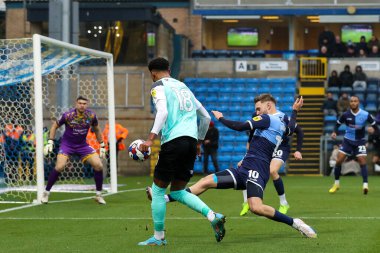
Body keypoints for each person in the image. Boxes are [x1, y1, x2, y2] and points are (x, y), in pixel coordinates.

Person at [147, 94, 317, 238]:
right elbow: (293, 128)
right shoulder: (283, 121)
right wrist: (295, 110)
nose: (256, 112)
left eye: (259, 109)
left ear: (268, 105)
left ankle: (295, 223)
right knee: (207, 181)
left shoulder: (266, 119)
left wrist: (221, 118)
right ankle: (165, 198)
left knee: (255, 207)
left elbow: (240, 126)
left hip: (258, 168)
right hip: (245, 167)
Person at [137, 57, 226, 246]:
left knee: (158, 191)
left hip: (174, 141)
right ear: (169, 69)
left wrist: (150, 138)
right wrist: (199, 143)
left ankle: (159, 237)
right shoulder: (184, 87)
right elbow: (205, 116)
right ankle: (213, 216)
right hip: (191, 142)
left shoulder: (158, 86)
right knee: (177, 191)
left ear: (152, 73)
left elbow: (163, 113)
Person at [239, 106, 304, 216]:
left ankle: (284, 203)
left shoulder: (282, 117)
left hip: (280, 147)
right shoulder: (256, 117)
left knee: (272, 171)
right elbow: (251, 138)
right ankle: (246, 202)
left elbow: (299, 131)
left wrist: (298, 150)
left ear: (268, 106)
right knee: (242, 167)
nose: (258, 111)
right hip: (266, 149)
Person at [42, 96, 107, 204]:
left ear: (87, 105)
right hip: (67, 145)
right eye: (80, 103)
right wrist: (50, 141)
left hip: (83, 145)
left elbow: (97, 129)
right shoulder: (68, 115)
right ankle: (46, 193)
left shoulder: (91, 116)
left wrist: (102, 145)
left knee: (98, 165)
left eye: (84, 103)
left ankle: (99, 195)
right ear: (76, 104)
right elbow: (54, 127)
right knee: (59, 166)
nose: (82, 105)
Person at [329, 95, 377, 195]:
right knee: (338, 161)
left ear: (358, 102)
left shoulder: (365, 114)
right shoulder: (345, 115)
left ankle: (365, 185)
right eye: (352, 101)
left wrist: (373, 130)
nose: (353, 103)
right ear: (349, 103)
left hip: (360, 141)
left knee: (362, 161)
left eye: (355, 101)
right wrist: (334, 132)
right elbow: (337, 124)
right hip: (348, 141)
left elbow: (375, 126)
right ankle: (336, 184)